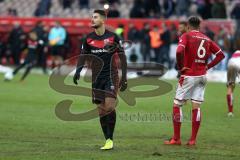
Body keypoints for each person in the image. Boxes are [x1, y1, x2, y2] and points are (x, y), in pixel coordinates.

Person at [164, 16, 225, 146]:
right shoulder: (207, 38)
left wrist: (181, 67)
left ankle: (176, 139)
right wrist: (208, 66)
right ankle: (192, 140)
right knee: (196, 106)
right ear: (199, 26)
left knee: (177, 104)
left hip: (189, 75)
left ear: (188, 26)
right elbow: (221, 55)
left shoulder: (186, 36)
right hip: (202, 76)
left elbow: (179, 50)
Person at [73, 9, 127, 150]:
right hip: (96, 78)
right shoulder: (88, 38)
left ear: (103, 20)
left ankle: (111, 139)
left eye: (95, 17)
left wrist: (125, 77)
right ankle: (108, 140)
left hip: (111, 76)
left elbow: (122, 57)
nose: (92, 19)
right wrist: (78, 71)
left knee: (109, 106)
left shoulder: (113, 37)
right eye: (92, 17)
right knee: (101, 110)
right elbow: (83, 55)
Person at [226, 50, 240, 117]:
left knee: (230, 87)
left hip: (230, 64)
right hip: (238, 65)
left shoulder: (235, 53)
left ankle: (230, 112)